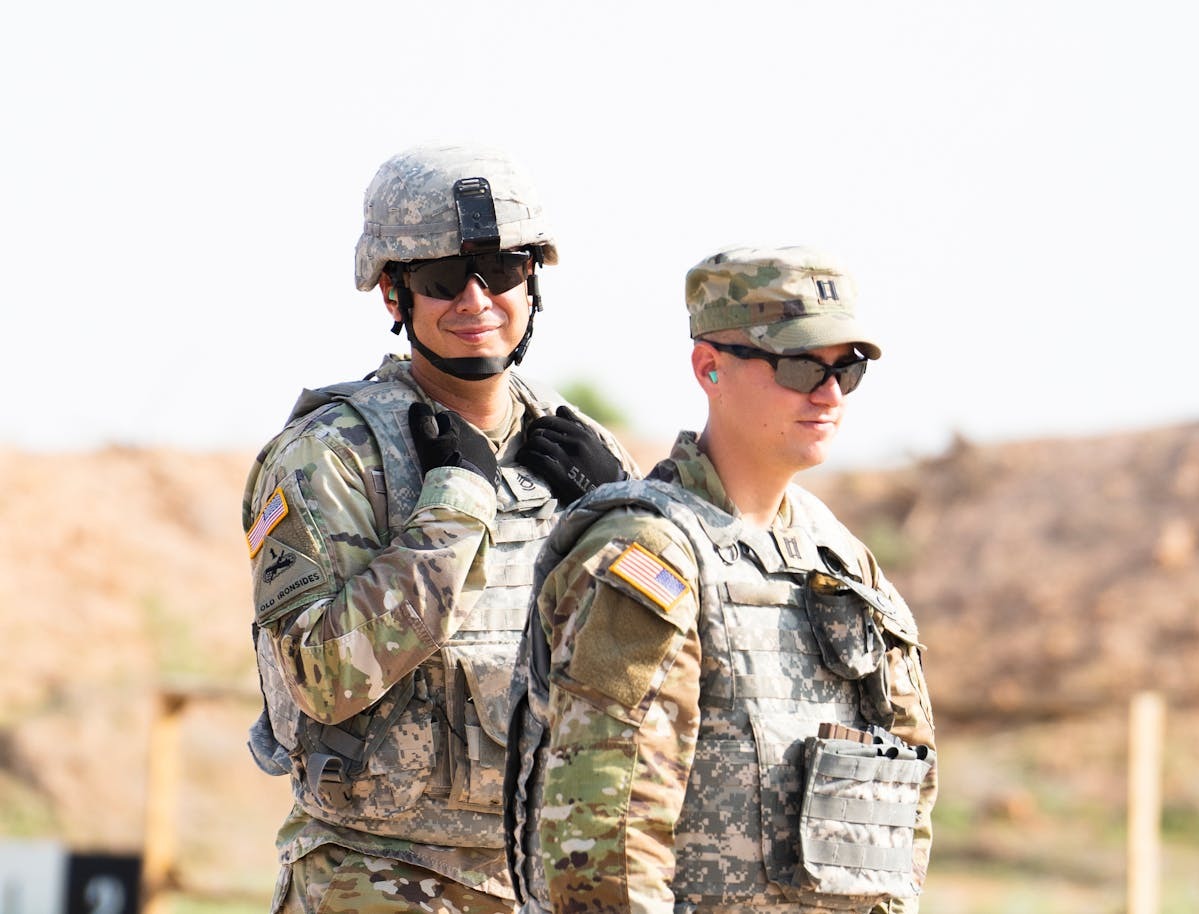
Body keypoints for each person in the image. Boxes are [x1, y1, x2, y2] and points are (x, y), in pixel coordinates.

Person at [243, 143, 640, 913]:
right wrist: (455, 506)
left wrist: (623, 516)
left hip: (546, 875)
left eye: (501, 272)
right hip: (378, 878)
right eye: (439, 280)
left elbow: (652, 668)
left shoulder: (580, 447)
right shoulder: (329, 455)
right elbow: (326, 679)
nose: (475, 301)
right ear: (394, 296)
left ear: (533, 284)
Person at [505, 244, 938, 914]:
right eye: (799, 365)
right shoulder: (649, 552)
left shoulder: (843, 562)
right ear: (709, 367)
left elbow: (899, 813)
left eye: (844, 370)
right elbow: (606, 835)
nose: (827, 393)